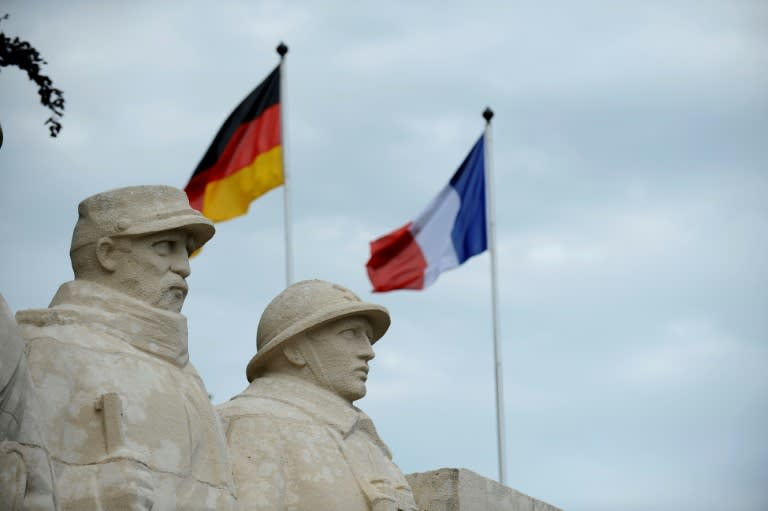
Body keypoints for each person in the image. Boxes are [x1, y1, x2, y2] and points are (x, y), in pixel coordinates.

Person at [13, 185, 237, 510]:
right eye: (165, 248)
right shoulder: (48, 347)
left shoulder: (187, 375)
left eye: (185, 251)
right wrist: (91, 493)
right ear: (107, 254)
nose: (184, 267)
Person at [217, 279, 418, 511]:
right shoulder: (252, 421)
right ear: (294, 350)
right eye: (350, 333)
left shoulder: (367, 443)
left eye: (367, 337)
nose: (368, 352)